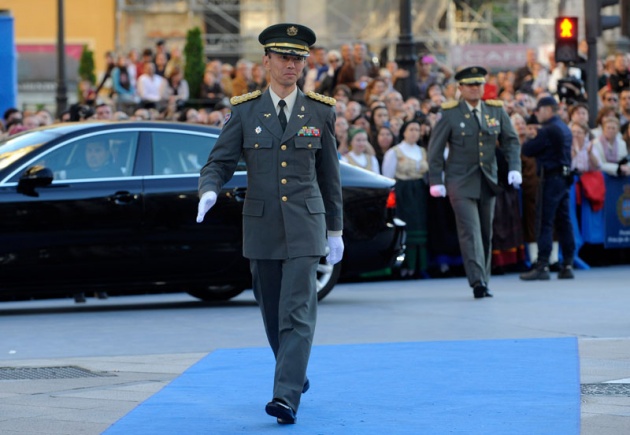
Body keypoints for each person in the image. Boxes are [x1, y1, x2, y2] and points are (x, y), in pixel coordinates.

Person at [196, 23, 343, 425]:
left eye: (298, 58)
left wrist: (335, 230)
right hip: (261, 226)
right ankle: (294, 372)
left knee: (297, 312)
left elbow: (330, 175)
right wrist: (209, 189)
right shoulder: (245, 110)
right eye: (284, 57)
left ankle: (285, 397)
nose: (292, 64)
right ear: (267, 61)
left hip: (305, 225)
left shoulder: (320, 110)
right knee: (272, 314)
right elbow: (219, 161)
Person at [428, 66, 522, 298]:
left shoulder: (495, 110)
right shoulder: (449, 113)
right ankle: (478, 281)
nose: (475, 89)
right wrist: (435, 179)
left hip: (487, 179)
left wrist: (514, 168)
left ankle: (484, 278)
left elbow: (511, 140)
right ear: (460, 88)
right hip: (459, 180)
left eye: (478, 84)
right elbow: (435, 149)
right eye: (470, 85)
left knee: (485, 232)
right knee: (470, 230)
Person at [520, 96, 576, 280]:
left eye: (539, 110)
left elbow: (528, 150)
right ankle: (567, 263)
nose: (537, 114)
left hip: (551, 179)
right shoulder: (564, 128)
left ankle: (542, 264)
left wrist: (528, 139)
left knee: (544, 221)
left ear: (548, 110)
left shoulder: (548, 130)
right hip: (564, 178)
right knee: (564, 222)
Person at [383, 119, 430, 277]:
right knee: (406, 227)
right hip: (403, 193)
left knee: (421, 228)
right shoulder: (395, 151)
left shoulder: (422, 151)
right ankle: (405, 267)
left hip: (419, 192)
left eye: (417, 130)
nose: (414, 132)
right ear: (404, 132)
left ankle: (420, 265)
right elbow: (388, 176)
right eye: (411, 129)